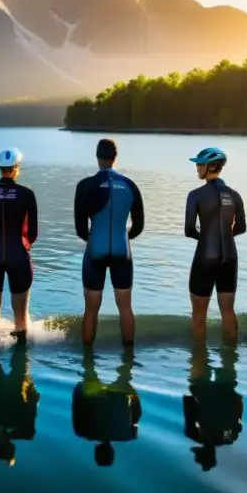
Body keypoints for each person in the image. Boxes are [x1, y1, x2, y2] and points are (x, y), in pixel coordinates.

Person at [74, 138, 144, 348]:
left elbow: (80, 228)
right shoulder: (130, 185)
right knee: (125, 307)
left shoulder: (85, 185)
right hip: (122, 252)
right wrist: (123, 237)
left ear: (97, 158)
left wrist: (95, 238)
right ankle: (128, 359)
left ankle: (88, 361)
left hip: (95, 251)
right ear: (115, 158)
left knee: (91, 309)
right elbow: (138, 226)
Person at [0, 147, 38, 344]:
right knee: (20, 315)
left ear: (0, 168)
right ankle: (21, 363)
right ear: (16, 168)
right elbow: (33, 234)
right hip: (18, 255)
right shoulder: (27, 195)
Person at [184, 147, 246, 343]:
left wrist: (207, 239)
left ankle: (199, 364)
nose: (196, 168)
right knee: (228, 311)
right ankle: (229, 361)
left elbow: (189, 229)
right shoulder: (234, 195)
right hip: (230, 257)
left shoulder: (195, 195)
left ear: (209, 167)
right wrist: (225, 236)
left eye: (199, 164)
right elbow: (242, 227)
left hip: (205, 257)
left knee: (199, 315)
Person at [71, 350, 141, 467]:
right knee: (89, 372)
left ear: (112, 451)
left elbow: (137, 413)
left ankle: (127, 355)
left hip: (119, 394)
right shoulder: (81, 432)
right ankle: (88, 352)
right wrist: (79, 388)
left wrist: (132, 394)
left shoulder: (129, 434)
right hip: (92, 393)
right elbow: (76, 405)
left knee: (125, 374)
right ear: (96, 450)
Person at [182, 345, 243, 472]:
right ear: (201, 451)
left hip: (227, 392)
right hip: (204, 391)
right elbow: (189, 404)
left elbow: (237, 413)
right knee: (198, 357)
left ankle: (224, 341)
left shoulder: (228, 438)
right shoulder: (193, 433)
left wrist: (236, 397)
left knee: (228, 359)